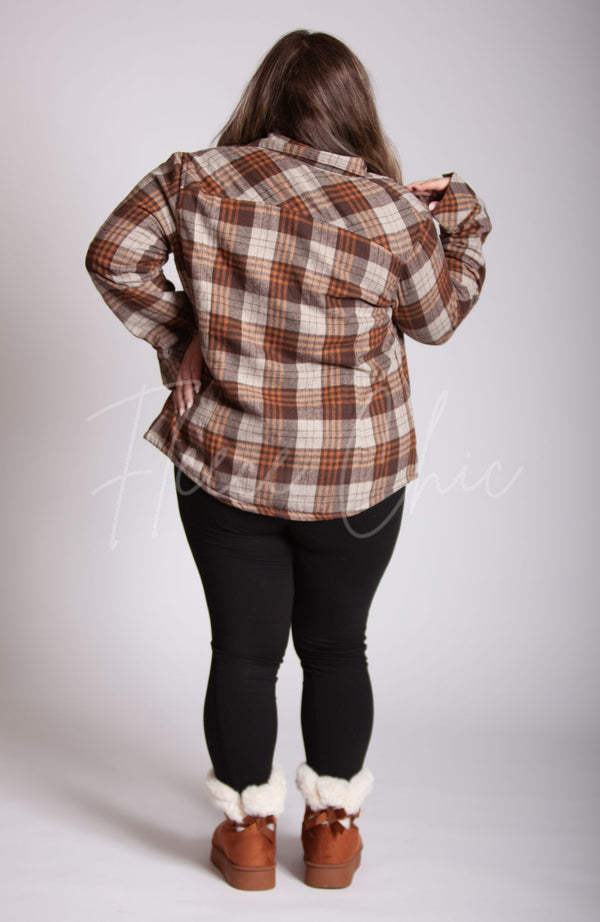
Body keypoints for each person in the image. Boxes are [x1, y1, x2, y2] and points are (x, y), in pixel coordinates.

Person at [85, 28, 492, 891]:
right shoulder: (393, 210)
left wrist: (182, 335)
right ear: (356, 111)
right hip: (359, 476)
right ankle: (336, 833)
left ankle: (248, 838)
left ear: (264, 98)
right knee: (339, 647)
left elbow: (112, 256)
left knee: (242, 653)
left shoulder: (194, 177)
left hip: (224, 464)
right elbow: (439, 320)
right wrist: (456, 209)